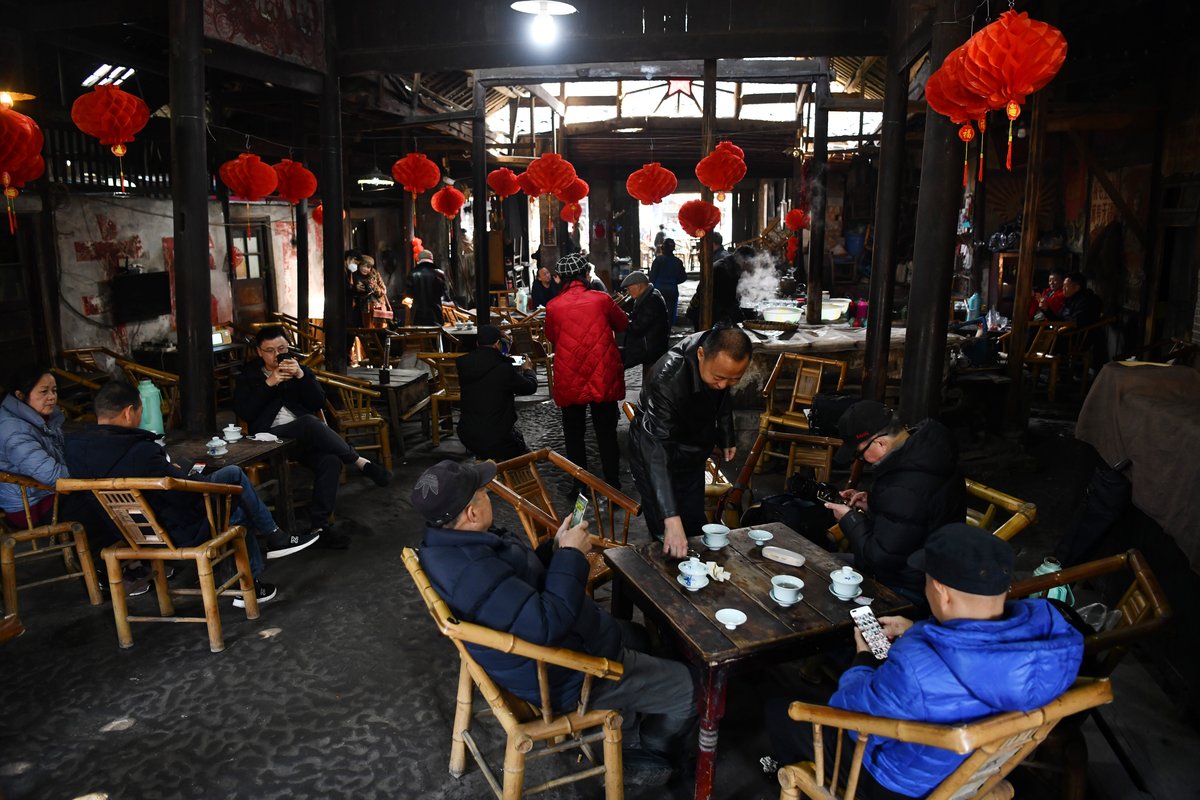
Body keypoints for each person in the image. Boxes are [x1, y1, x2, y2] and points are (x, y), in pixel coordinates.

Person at [415, 459, 696, 785]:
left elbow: (517, 584)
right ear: (472, 514)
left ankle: (635, 711)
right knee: (691, 689)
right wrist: (572, 556)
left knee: (638, 635)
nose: (488, 495)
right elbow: (546, 626)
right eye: (484, 492)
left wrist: (556, 547)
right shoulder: (472, 572)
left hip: (550, 653)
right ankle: (647, 754)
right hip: (566, 674)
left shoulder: (447, 545)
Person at [765, 524, 1084, 799]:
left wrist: (863, 658)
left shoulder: (917, 664)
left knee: (782, 710)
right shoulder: (1051, 636)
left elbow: (846, 710)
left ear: (942, 592)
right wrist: (920, 629)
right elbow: (980, 656)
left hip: (901, 784)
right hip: (976, 773)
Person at [65, 381, 320, 607]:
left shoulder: (75, 449)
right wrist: (191, 478)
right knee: (234, 491)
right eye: (141, 412)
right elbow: (179, 495)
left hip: (125, 532)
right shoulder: (141, 451)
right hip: (172, 532)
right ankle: (262, 561)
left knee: (231, 490)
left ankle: (270, 549)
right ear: (129, 412)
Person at [234, 325, 391, 549]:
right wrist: (269, 383)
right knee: (308, 422)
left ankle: (320, 528)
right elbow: (245, 412)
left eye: (282, 348)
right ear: (259, 352)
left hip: (302, 439)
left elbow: (318, 403)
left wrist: (300, 375)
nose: (277, 355)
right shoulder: (249, 376)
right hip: (269, 440)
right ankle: (360, 462)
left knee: (330, 460)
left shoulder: (299, 370)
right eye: (270, 350)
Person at [823, 401, 966, 606]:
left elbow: (879, 557)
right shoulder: (929, 454)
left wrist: (849, 519)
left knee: (821, 577)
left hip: (911, 588)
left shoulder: (905, 485)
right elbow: (914, 516)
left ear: (880, 443)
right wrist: (874, 504)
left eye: (859, 454)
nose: (860, 461)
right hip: (927, 571)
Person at [629, 326, 752, 557]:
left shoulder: (718, 352)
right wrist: (671, 518)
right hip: (654, 453)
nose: (724, 385)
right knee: (666, 531)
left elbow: (722, 395)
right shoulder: (668, 377)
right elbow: (656, 449)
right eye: (718, 378)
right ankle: (667, 581)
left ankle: (696, 571)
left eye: (734, 379)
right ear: (701, 355)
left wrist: (726, 434)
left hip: (692, 450)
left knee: (693, 522)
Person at [545, 252, 628, 491]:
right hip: (602, 374)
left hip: (570, 375)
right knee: (606, 432)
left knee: (573, 433)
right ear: (585, 275)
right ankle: (613, 484)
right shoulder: (602, 299)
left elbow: (552, 337)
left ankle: (578, 485)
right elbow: (622, 324)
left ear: (560, 279)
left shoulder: (553, 306)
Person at [0, 366, 68, 529]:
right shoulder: (14, 431)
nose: (52, 397)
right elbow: (53, 475)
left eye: (54, 390)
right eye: (44, 392)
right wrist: (88, 473)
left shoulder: (42, 418)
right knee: (99, 506)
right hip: (29, 507)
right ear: (20, 395)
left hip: (48, 493)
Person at [456, 325, 538, 461]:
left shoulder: (464, 364)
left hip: (467, 435)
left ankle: (487, 472)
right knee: (526, 457)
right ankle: (508, 478)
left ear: (477, 343)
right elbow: (530, 387)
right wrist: (528, 370)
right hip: (497, 438)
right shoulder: (503, 368)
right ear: (498, 344)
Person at [619, 271, 670, 387]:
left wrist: (622, 319)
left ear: (639, 286)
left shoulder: (652, 300)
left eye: (629, 288)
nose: (628, 292)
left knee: (650, 384)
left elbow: (637, 327)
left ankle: (649, 404)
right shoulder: (647, 297)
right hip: (651, 349)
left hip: (651, 350)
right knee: (649, 381)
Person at [648, 238, 686, 325]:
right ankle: (667, 332)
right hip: (672, 289)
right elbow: (683, 277)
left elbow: (652, 277)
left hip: (658, 289)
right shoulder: (678, 262)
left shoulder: (658, 260)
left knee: (658, 312)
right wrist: (673, 282)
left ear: (663, 248)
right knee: (670, 313)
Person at [350, 255, 393, 328]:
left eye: (368, 267)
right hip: (364, 307)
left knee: (380, 329)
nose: (365, 269)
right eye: (363, 266)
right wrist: (356, 289)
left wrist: (372, 285)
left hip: (378, 306)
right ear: (359, 265)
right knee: (367, 329)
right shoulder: (355, 275)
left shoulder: (375, 274)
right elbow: (352, 292)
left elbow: (383, 290)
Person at [406, 249, 447, 326]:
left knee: (420, 336)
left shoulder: (412, 274)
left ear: (419, 260)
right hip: (436, 317)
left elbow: (409, 295)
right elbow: (443, 294)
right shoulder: (440, 273)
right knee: (437, 336)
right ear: (431, 259)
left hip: (418, 317)